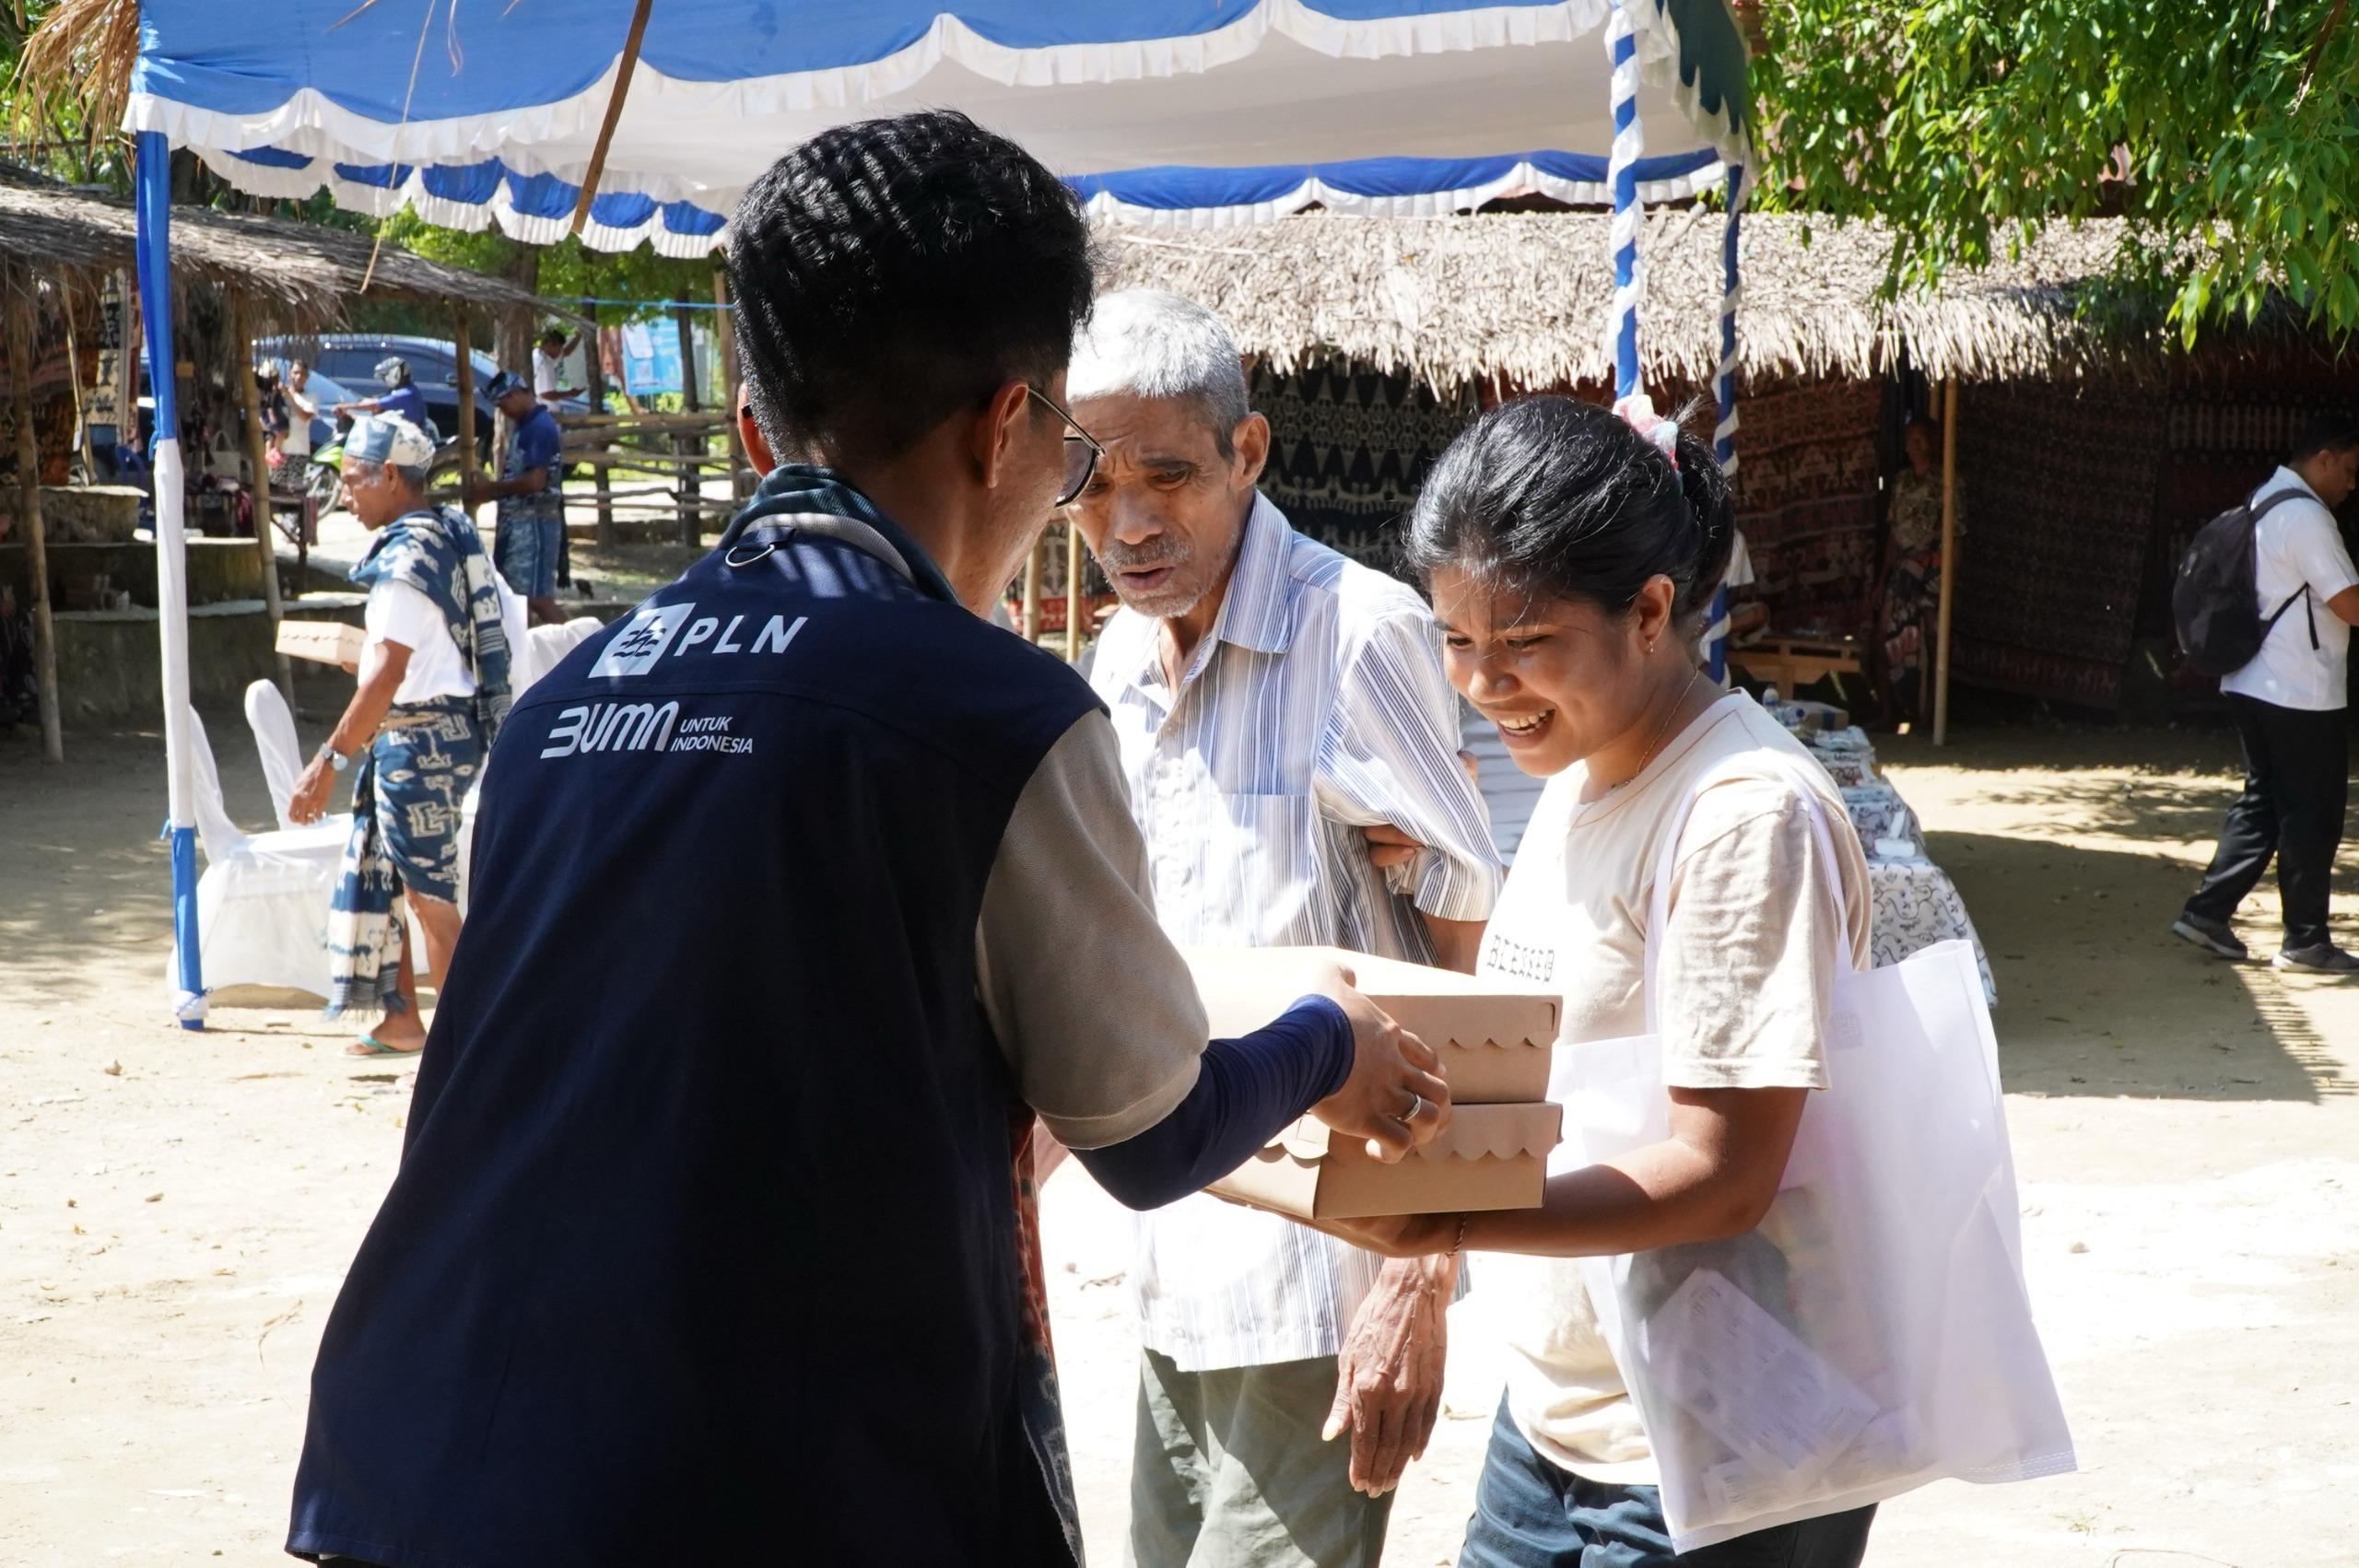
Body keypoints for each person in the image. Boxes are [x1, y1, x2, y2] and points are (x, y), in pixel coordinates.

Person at [284, 110, 1451, 1568]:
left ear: (759, 430)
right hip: (739, 1492)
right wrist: (1328, 1041)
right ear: (1008, 426)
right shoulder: (995, 716)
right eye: (1082, 457)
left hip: (411, 1457)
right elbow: (1151, 1134)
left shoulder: (571, 701)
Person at [1317, 394, 1880, 1568]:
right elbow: (1525, 1051)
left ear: (1650, 611)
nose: (1480, 682)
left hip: (1710, 1441)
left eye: (1522, 643)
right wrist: (1418, 1256)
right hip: (1560, 1418)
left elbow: (1723, 1172)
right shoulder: (1577, 771)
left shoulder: (1740, 813)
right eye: (1456, 639)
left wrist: (1452, 1216)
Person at [1059, 289, 1503, 1567]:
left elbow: (1462, 954)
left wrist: (1420, 1275)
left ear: (1248, 454)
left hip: (1325, 1276)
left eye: (1169, 476)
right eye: (1091, 483)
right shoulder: (1118, 666)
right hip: (1175, 1253)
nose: (1128, 523)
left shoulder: (1357, 632)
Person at [285, 415, 523, 1056]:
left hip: (419, 740)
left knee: (430, 898)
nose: (347, 494)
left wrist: (327, 760)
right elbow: (415, 657)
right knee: (396, 882)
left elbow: (389, 673)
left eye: (354, 479)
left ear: (390, 475)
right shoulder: (447, 536)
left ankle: (465, 1041)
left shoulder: (403, 560)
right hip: (440, 731)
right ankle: (401, 1021)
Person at [2175, 412, 2359, 975]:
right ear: (2323, 458)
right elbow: (2347, 602)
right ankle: (2304, 939)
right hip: (2298, 689)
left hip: (2253, 680)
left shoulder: (2265, 498)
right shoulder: (2306, 516)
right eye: (2349, 471)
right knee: (2311, 811)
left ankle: (2207, 912)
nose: (2352, 485)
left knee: (2263, 802)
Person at [464, 369, 565, 625]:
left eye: (504, 402)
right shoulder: (527, 426)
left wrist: (491, 489)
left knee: (538, 599)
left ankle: (587, 650)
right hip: (520, 523)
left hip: (535, 524)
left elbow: (535, 481)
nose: (502, 409)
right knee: (519, 599)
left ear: (519, 393)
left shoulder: (539, 428)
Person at [1873, 415, 1956, 723]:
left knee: (1933, 637)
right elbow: (1894, 535)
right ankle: (1887, 712)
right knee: (1883, 635)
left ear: (1933, 443)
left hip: (1931, 570)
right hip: (1902, 570)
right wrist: (1882, 581)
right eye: (1910, 440)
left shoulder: (1947, 483)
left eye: (1919, 439)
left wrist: (1947, 576)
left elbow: (1956, 535)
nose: (1913, 446)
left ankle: (1930, 714)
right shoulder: (1901, 483)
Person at [1698, 525, 1764, 688]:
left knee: (1760, 612)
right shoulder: (1673, 537)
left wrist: (1716, 622)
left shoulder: (1733, 538)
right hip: (1685, 621)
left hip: (1720, 619)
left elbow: (1734, 591)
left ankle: (1716, 630)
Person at [331, 356, 432, 434]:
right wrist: (350, 415)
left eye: (385, 376)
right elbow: (377, 418)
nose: (384, 380)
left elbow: (375, 405)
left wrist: (345, 407)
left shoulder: (406, 393)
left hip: (409, 442)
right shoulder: (401, 391)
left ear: (394, 374)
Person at [533, 325, 582, 406]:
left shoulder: (538, 354)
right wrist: (570, 393)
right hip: (545, 408)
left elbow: (566, 352)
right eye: (559, 348)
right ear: (551, 345)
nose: (560, 351)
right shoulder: (544, 364)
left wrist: (578, 337)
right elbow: (546, 394)